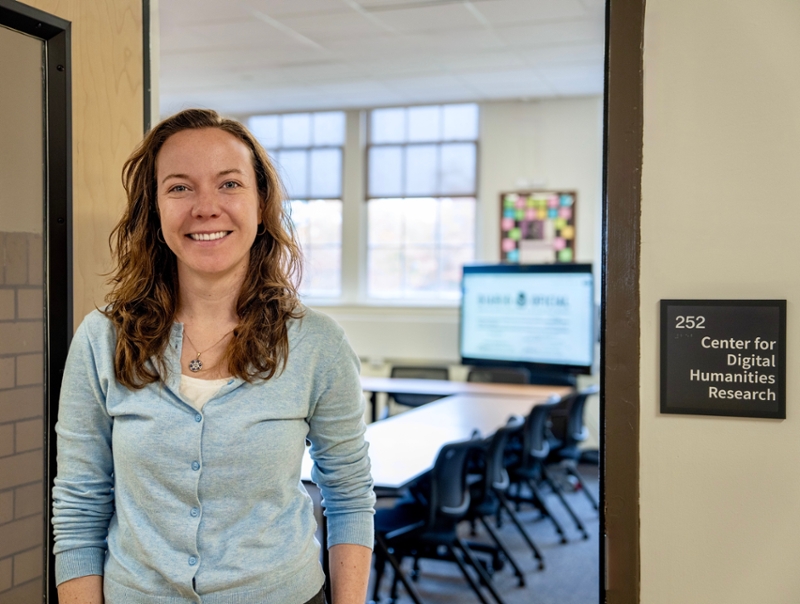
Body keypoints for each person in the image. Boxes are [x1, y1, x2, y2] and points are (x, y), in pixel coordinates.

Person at [52, 109, 375, 604]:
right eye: (179, 187)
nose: (206, 207)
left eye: (229, 184)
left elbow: (349, 494)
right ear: (154, 208)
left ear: (261, 203)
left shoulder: (317, 344)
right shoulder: (102, 339)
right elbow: (79, 504)